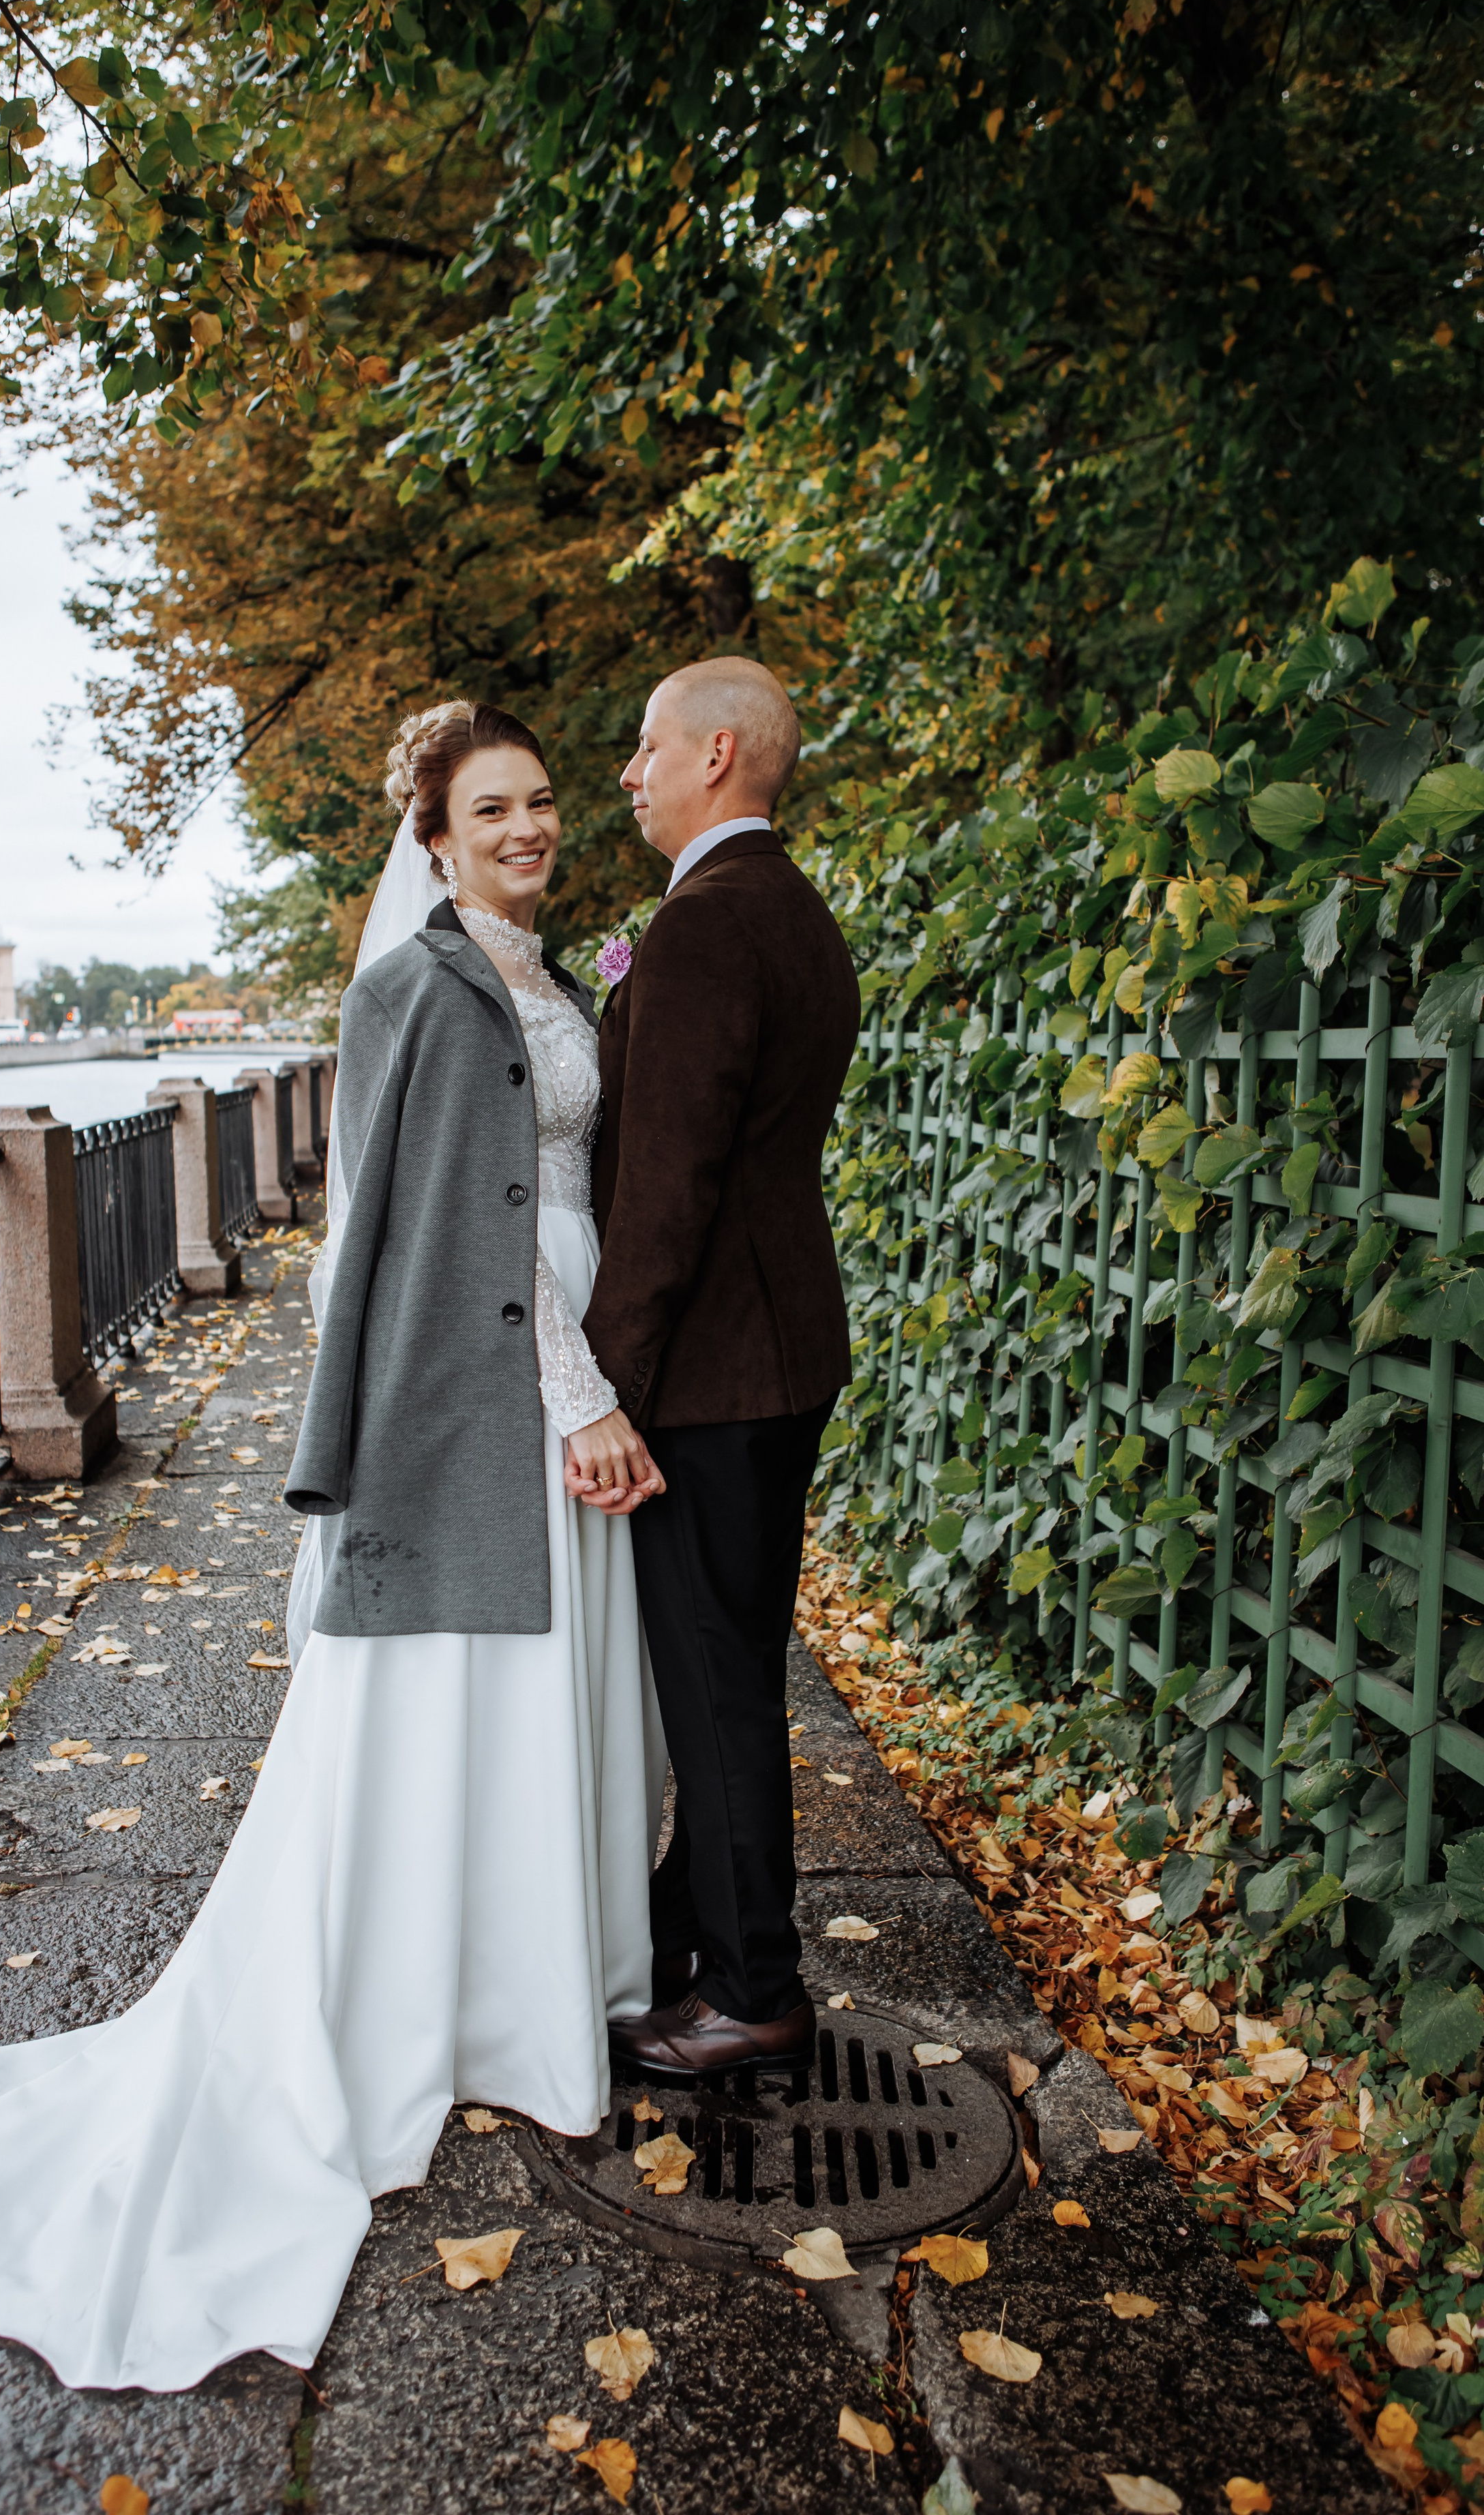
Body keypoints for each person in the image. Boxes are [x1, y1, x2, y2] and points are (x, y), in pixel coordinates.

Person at [0, 699, 668, 2392]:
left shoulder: (552, 983)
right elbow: (452, 1236)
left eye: (542, 803)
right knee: (461, 1700)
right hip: (495, 1414)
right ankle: (442, 2008)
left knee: (535, 1701)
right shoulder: (415, 988)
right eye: (492, 810)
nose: (528, 829)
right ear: (436, 835)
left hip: (553, 1396)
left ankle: (523, 1987)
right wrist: (579, 1400)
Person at [578, 657, 862, 2080]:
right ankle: (694, 1926)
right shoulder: (792, 911)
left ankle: (752, 1989)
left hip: (712, 1374)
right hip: (780, 1347)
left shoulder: (703, 925)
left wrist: (601, 1381)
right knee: (728, 1661)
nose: (626, 772)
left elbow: (666, 1185)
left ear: (718, 754)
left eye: (645, 747)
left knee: (718, 1683)